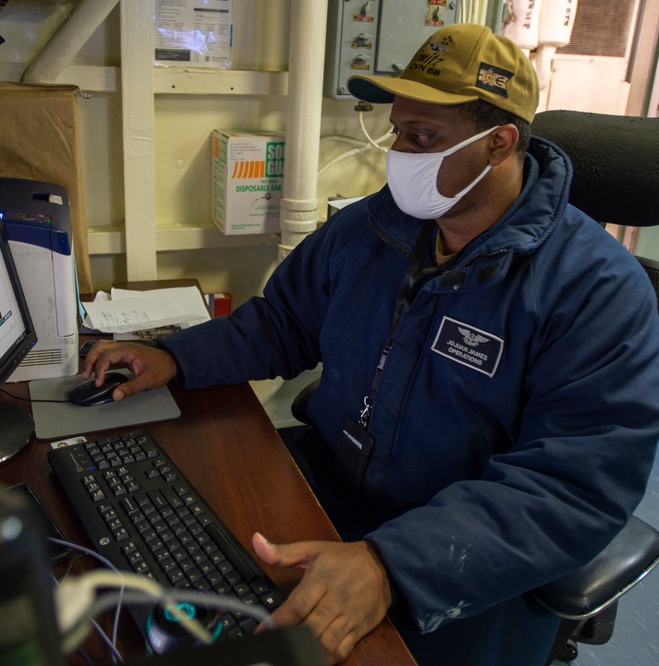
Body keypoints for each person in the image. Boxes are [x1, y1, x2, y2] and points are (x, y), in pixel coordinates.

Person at [82, 23, 659, 665]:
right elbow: (285, 322)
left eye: (421, 138)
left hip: (460, 562)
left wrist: (393, 567)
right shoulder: (373, 229)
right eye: (397, 130)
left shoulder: (598, 291)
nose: (398, 153)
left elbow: (572, 486)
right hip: (333, 495)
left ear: (499, 144)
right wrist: (177, 356)